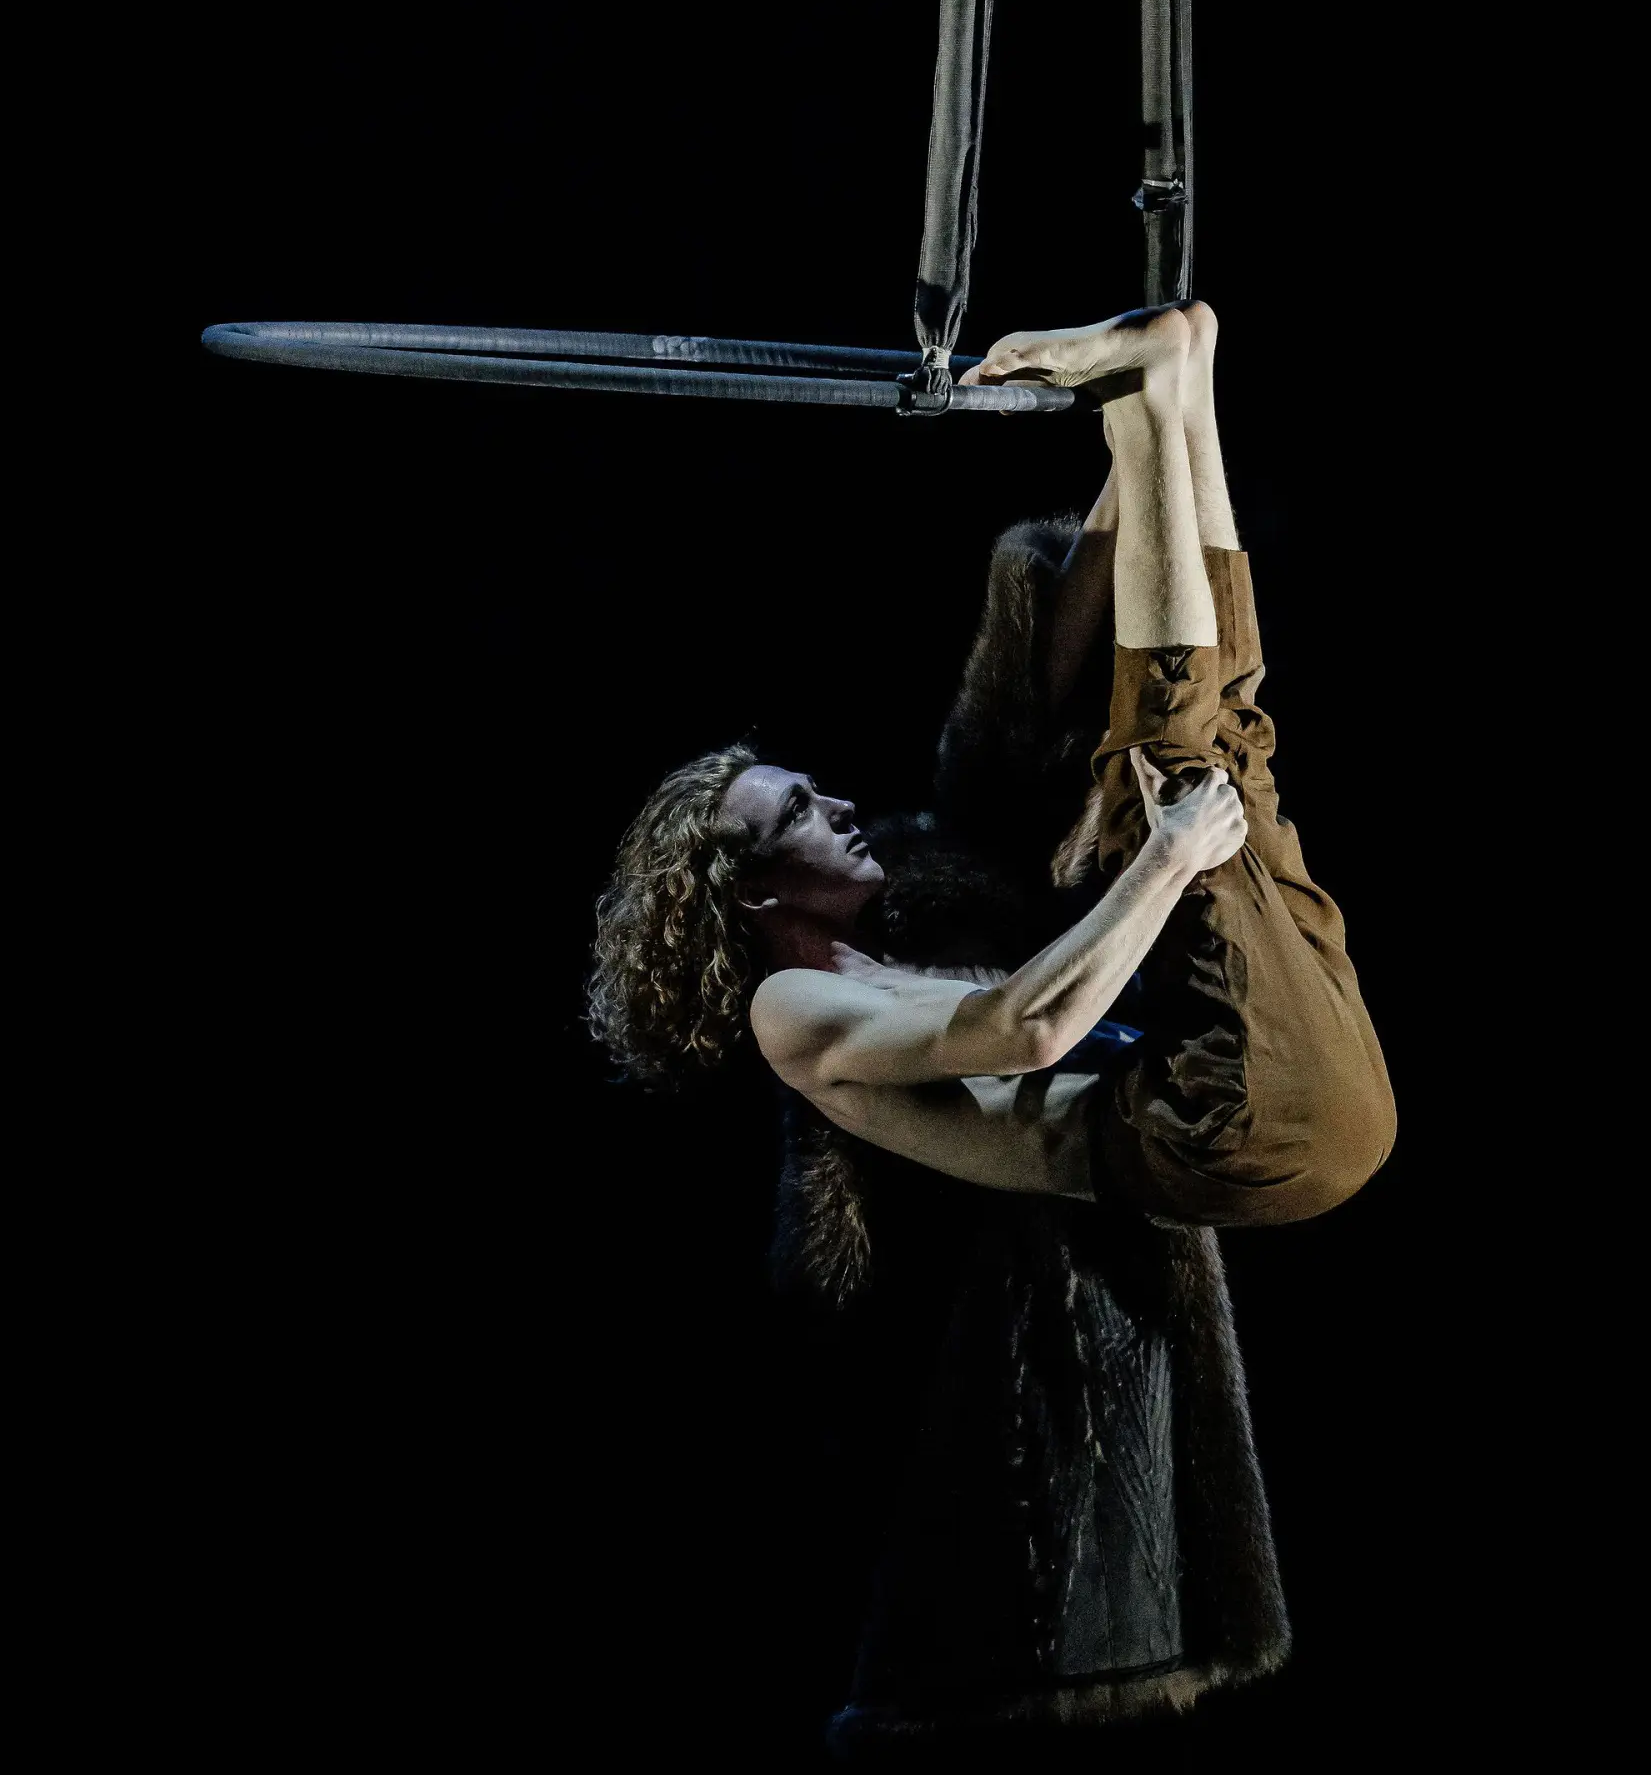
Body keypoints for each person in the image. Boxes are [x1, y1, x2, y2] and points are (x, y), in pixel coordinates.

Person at [588, 302, 1394, 1756]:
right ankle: (1149, 395)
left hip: (1234, 1107)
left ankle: (1173, 385)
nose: (837, 801)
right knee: (1180, 770)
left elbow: (1029, 829)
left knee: (1228, 730)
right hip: (1222, 1129)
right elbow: (1028, 1028)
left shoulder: (891, 930)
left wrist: (1147, 444)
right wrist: (1162, 861)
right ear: (754, 886)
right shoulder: (795, 1011)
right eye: (798, 813)